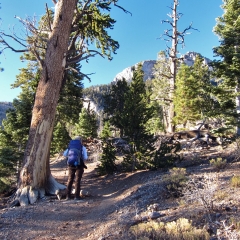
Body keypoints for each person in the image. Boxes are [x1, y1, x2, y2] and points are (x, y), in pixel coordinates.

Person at [63, 136, 88, 200]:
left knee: (70, 179)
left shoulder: (70, 147)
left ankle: (68, 196)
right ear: (80, 141)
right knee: (77, 180)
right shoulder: (82, 147)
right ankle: (76, 196)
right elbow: (85, 157)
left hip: (71, 165)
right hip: (79, 165)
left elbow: (64, 154)